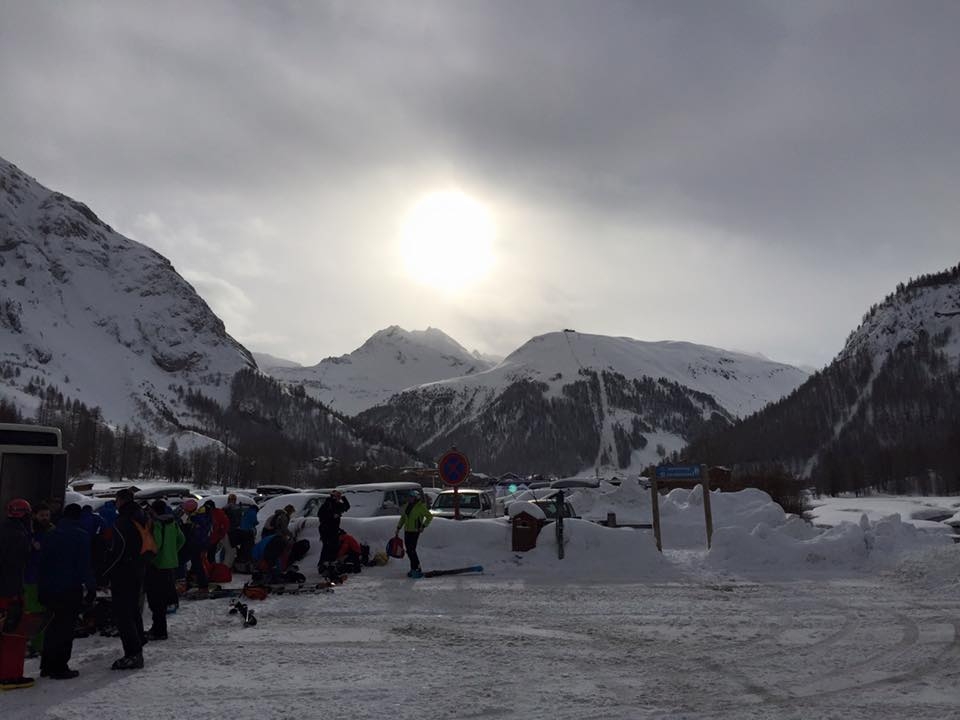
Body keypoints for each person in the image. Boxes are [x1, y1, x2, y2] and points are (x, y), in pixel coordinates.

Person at [37, 503, 95, 680]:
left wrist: (41, 588)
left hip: (48, 588)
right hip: (69, 589)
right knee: (65, 628)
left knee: (52, 627)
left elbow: (42, 564)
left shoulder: (50, 535)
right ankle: (60, 666)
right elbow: (84, 566)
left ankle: (46, 665)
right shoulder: (81, 537)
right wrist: (91, 588)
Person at [103, 489, 146, 670]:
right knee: (133, 609)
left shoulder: (123, 521)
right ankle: (139, 639)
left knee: (123, 614)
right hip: (139, 567)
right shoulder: (142, 516)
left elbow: (117, 551)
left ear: (120, 500)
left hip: (124, 571)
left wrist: (104, 572)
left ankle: (133, 653)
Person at [0, 499, 34, 690]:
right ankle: (10, 675)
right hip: (10, 591)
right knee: (14, 634)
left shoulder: (3, 529)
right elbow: (15, 566)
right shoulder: (19, 536)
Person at [144, 501, 184, 641]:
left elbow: (157, 544)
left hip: (157, 565)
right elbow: (181, 539)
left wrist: (152, 557)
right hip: (170, 564)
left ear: (154, 511)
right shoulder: (172, 522)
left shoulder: (157, 524)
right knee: (164, 597)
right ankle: (159, 628)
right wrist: (172, 552)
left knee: (156, 600)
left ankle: (159, 630)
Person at [23, 503, 54, 659]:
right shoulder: (28, 532)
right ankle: (33, 643)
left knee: (41, 612)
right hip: (31, 578)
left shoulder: (53, 532)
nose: (45, 518)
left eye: (47, 515)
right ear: (35, 515)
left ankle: (38, 644)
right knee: (32, 612)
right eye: (42, 515)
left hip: (44, 578)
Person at [395, 492, 432, 578]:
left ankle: (418, 568)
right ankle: (413, 569)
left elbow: (429, 516)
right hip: (407, 530)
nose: (410, 499)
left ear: (416, 498)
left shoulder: (420, 507)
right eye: (409, 497)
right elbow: (403, 518)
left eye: (411, 497)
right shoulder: (407, 506)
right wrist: (398, 527)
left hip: (415, 531)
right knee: (409, 550)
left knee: (412, 550)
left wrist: (423, 526)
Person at [317, 491, 350, 574]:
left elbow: (347, 507)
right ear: (333, 497)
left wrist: (343, 498)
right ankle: (322, 565)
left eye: (339, 497)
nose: (339, 498)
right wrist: (332, 516)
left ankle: (331, 564)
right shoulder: (328, 504)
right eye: (337, 496)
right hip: (326, 529)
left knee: (334, 546)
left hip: (334, 529)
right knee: (327, 546)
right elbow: (320, 515)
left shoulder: (338, 504)